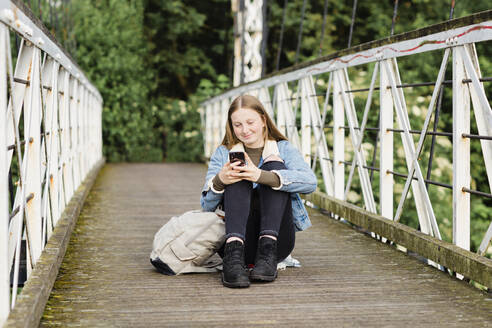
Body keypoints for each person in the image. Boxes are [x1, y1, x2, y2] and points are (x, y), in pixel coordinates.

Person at [200, 94, 317, 288]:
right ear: (231, 126)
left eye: (250, 122)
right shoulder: (223, 153)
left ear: (263, 120)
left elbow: (310, 183)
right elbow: (206, 206)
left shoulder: (283, 148)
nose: (245, 130)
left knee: (274, 168)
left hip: (276, 244)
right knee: (236, 173)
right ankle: (234, 256)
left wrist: (261, 176)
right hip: (233, 244)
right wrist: (220, 180)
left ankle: (266, 251)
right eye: (237, 125)